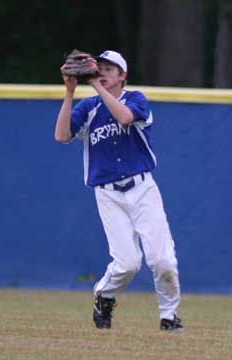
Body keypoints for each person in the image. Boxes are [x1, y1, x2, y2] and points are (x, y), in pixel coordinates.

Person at [54, 50, 183, 331]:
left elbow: (124, 118)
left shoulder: (135, 99)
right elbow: (62, 136)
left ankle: (169, 316)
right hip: (108, 193)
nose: (101, 71)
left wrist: (97, 86)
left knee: (162, 259)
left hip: (142, 188)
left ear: (122, 75)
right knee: (127, 263)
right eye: (98, 67)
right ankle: (104, 294)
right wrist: (69, 92)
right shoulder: (88, 108)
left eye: (109, 69)